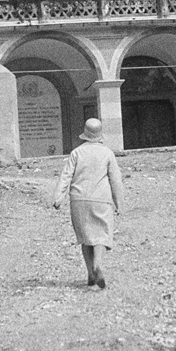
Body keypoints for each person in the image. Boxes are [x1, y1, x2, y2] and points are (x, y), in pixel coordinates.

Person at [52, 118, 126, 289]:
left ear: (85, 133)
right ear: (100, 134)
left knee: (85, 237)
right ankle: (98, 265)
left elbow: (66, 176)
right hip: (101, 199)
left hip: (78, 199)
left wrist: (58, 197)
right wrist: (119, 203)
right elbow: (115, 180)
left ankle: (90, 274)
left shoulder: (76, 153)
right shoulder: (107, 153)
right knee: (101, 235)